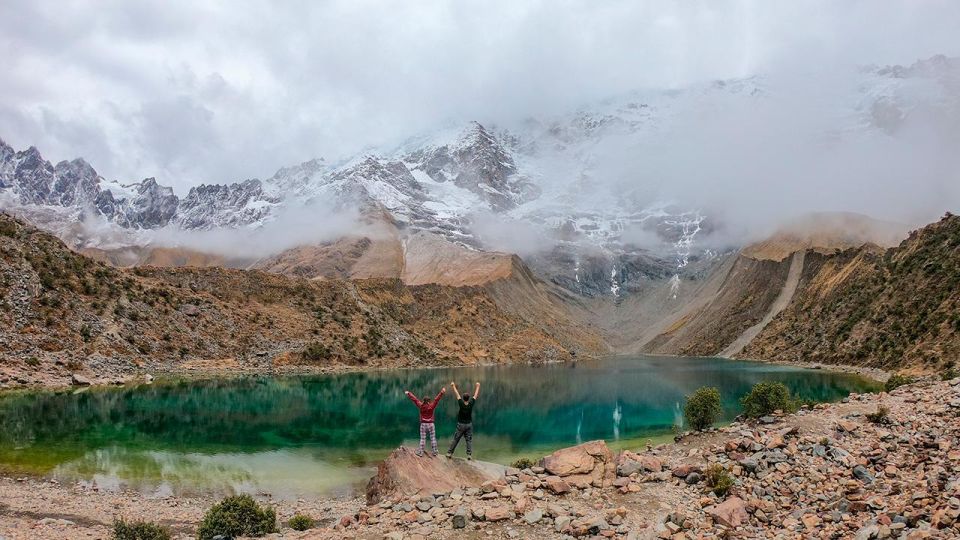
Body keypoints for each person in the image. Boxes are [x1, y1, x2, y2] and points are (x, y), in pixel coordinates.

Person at [404, 387, 445, 457]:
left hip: (423, 424)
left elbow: (415, 400)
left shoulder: (421, 405)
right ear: (429, 401)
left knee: (423, 439)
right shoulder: (431, 406)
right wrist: (442, 392)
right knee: (433, 438)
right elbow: (436, 399)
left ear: (423, 401)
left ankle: (421, 452)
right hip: (431, 424)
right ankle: (434, 452)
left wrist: (408, 393)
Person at [446, 381, 480, 460]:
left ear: (463, 398)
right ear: (468, 399)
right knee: (468, 440)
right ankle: (469, 455)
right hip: (469, 425)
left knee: (456, 439)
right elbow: (475, 395)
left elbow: (457, 394)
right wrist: (478, 386)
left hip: (461, 425)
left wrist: (453, 385)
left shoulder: (461, 403)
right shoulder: (471, 404)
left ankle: (449, 453)